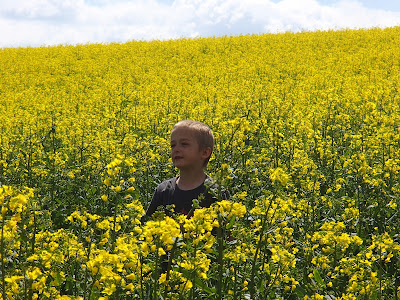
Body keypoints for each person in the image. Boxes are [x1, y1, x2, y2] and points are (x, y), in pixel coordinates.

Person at [145, 120, 222, 218]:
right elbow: (148, 227)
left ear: (205, 152)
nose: (176, 149)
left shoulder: (215, 192)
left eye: (184, 144)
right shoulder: (163, 191)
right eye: (173, 145)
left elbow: (225, 231)